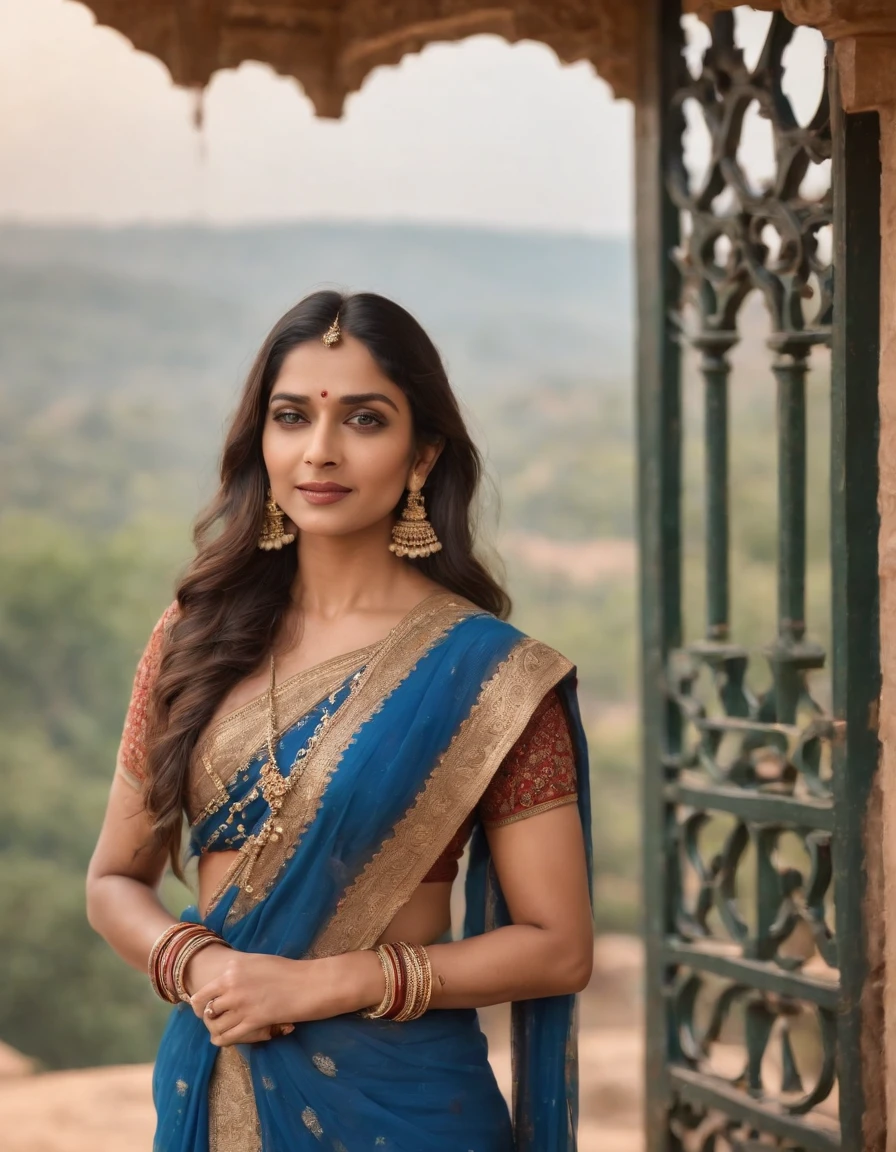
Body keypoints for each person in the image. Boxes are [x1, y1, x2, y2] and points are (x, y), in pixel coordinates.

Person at [86, 290, 594, 1152]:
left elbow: (557, 948)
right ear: (263, 441)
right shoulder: (194, 636)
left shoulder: (492, 678)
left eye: (364, 419)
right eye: (292, 417)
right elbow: (113, 882)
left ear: (422, 452)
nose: (320, 451)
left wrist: (321, 986)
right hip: (213, 1080)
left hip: (405, 1107)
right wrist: (206, 967)